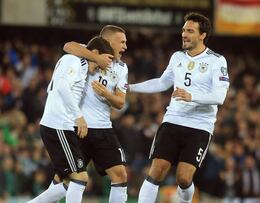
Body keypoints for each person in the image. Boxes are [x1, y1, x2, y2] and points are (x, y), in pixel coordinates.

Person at [129, 12, 230, 203]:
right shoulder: (177, 57)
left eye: (190, 31)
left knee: (183, 178)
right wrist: (131, 88)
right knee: (157, 169)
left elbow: (220, 96)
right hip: (173, 119)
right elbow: (161, 83)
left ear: (202, 35)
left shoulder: (217, 61)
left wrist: (191, 96)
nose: (184, 34)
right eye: (184, 30)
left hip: (200, 125)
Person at [28, 36, 114, 203]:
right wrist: (78, 116)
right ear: (95, 53)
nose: (99, 68)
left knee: (66, 182)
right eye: (102, 61)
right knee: (80, 178)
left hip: (62, 126)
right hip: (58, 126)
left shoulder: (80, 63)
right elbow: (61, 85)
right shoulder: (73, 61)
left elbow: (78, 47)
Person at [62, 25, 129, 203]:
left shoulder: (122, 68)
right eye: (122, 41)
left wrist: (107, 94)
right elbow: (68, 46)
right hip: (79, 126)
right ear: (109, 41)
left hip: (103, 129)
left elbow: (120, 102)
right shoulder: (89, 51)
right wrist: (96, 58)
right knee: (66, 181)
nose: (125, 46)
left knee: (120, 175)